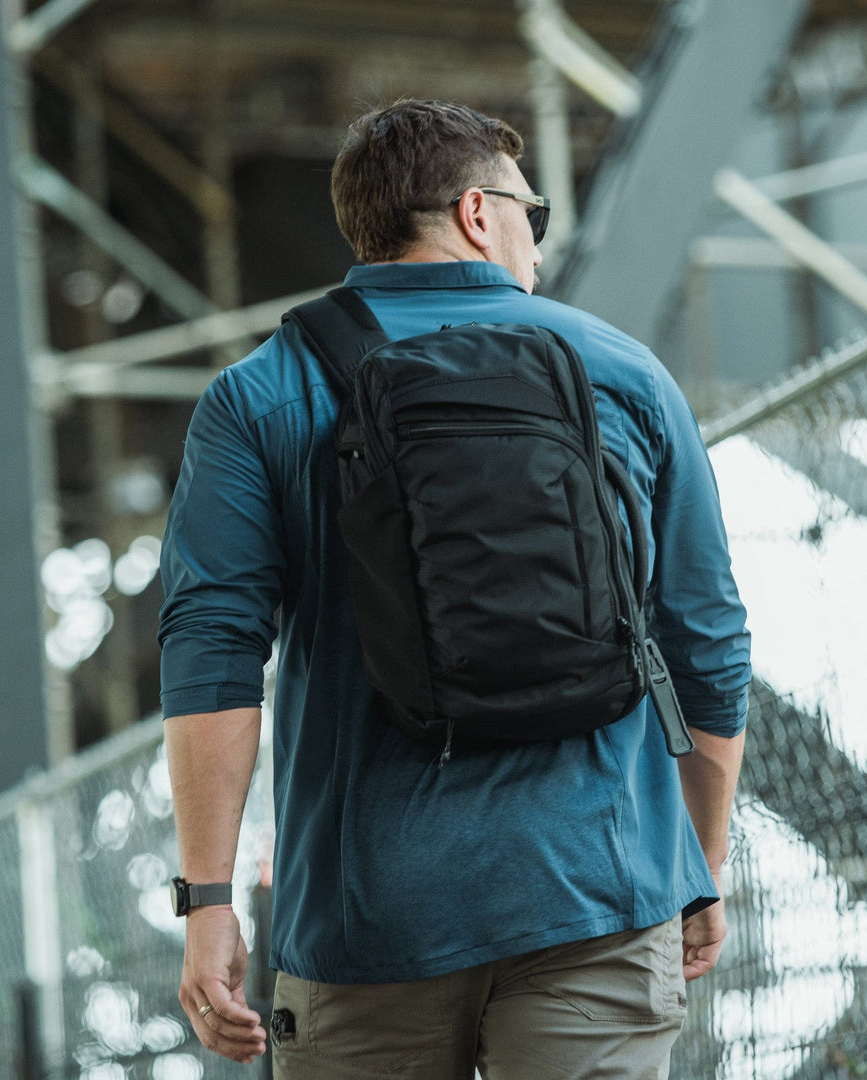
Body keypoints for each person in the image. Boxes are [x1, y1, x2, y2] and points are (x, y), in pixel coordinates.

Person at [159, 99, 750, 1080]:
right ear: (480, 214)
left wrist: (209, 900)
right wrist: (699, 860)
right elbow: (707, 641)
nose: (537, 243)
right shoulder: (624, 375)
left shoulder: (260, 394)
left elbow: (212, 655)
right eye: (535, 216)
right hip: (600, 891)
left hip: (367, 921)